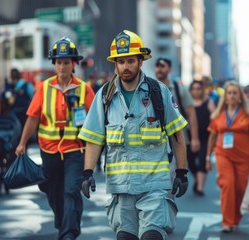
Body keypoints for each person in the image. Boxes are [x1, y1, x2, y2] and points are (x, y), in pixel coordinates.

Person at [78, 30, 188, 240]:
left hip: (154, 186)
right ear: (115, 64)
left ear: (140, 61)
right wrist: (87, 173)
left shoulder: (158, 92)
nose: (125, 66)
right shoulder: (104, 96)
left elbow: (176, 135)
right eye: (121, 62)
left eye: (130, 61)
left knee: (151, 237)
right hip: (121, 188)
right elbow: (93, 139)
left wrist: (182, 172)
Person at [15, 36, 95, 240]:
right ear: (54, 64)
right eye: (59, 62)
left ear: (73, 64)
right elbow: (33, 117)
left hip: (75, 151)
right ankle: (62, 220)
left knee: (71, 191)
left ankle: (68, 233)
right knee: (52, 191)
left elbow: (95, 121)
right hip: (49, 150)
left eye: (66, 62)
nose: (62, 66)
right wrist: (22, 143)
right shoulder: (44, 87)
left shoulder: (84, 88)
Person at [206, 81, 249, 233]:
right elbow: (212, 137)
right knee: (228, 184)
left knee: (240, 188)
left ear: (240, 96)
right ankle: (227, 221)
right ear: (225, 96)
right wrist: (207, 157)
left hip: (244, 156)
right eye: (229, 93)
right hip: (223, 154)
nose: (231, 96)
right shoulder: (218, 115)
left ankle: (235, 217)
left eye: (234, 93)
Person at [154, 57, 200, 198]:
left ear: (169, 69)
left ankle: (167, 203)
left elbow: (191, 113)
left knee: (172, 175)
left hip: (176, 138)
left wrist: (195, 138)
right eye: (157, 66)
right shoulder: (149, 88)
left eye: (162, 66)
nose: (159, 69)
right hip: (155, 139)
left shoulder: (179, 88)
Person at [188, 80, 211, 196]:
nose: (196, 91)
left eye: (199, 88)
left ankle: (200, 187)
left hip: (206, 137)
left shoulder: (208, 102)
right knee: (190, 161)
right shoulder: (188, 104)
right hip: (190, 136)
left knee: (203, 160)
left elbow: (215, 116)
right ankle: (197, 178)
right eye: (194, 88)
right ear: (190, 90)